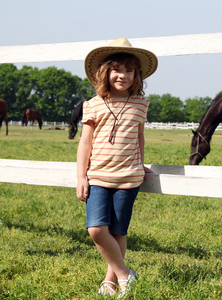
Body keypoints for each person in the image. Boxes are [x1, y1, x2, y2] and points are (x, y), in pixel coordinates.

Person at [76, 37, 158, 298]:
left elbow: (139, 137)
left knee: (118, 231)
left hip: (129, 177)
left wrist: (141, 163)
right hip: (98, 176)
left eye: (129, 70)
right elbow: (85, 142)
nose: (122, 75)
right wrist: (81, 176)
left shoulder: (140, 105)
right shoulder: (93, 104)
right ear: (105, 72)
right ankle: (126, 274)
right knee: (96, 229)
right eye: (117, 69)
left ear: (137, 76)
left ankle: (110, 282)